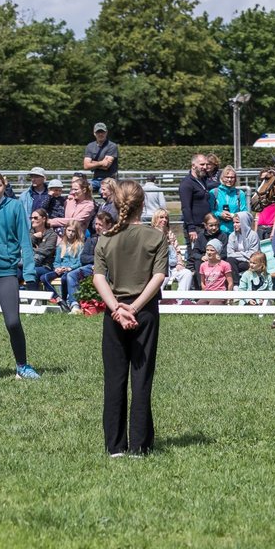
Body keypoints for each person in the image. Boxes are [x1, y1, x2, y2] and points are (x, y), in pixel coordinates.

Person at [91, 180, 168, 455]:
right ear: (143, 204)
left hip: (114, 315)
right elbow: (158, 277)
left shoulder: (105, 238)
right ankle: (139, 445)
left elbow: (98, 277)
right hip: (144, 312)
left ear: (115, 203)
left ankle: (115, 446)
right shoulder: (155, 236)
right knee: (141, 378)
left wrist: (116, 309)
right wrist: (134, 308)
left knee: (114, 380)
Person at [0, 167, 39, 381]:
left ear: (4, 185)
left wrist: (30, 272)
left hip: (7, 270)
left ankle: (22, 366)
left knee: (13, 321)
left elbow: (25, 241)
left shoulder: (15, 207)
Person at [210, 166, 246, 237]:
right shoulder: (214, 192)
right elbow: (209, 211)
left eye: (232, 177)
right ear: (222, 178)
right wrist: (220, 214)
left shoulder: (240, 193)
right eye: (227, 177)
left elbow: (244, 212)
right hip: (217, 231)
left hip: (235, 232)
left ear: (235, 179)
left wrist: (233, 215)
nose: (229, 180)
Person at [83, 121, 120, 188]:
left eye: (102, 132)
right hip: (96, 180)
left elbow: (106, 166)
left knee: (103, 191)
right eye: (98, 132)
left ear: (106, 132)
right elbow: (86, 166)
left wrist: (93, 163)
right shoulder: (90, 146)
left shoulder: (112, 146)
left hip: (110, 181)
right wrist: (101, 163)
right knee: (83, 188)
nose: (100, 134)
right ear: (94, 133)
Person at [29, 208, 57, 288]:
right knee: (14, 273)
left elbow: (45, 252)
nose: (32, 220)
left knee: (32, 272)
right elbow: (23, 246)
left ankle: (34, 300)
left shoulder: (52, 235)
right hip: (27, 264)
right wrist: (33, 237)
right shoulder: (29, 233)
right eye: (31, 218)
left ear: (44, 219)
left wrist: (33, 249)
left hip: (45, 266)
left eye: (35, 218)